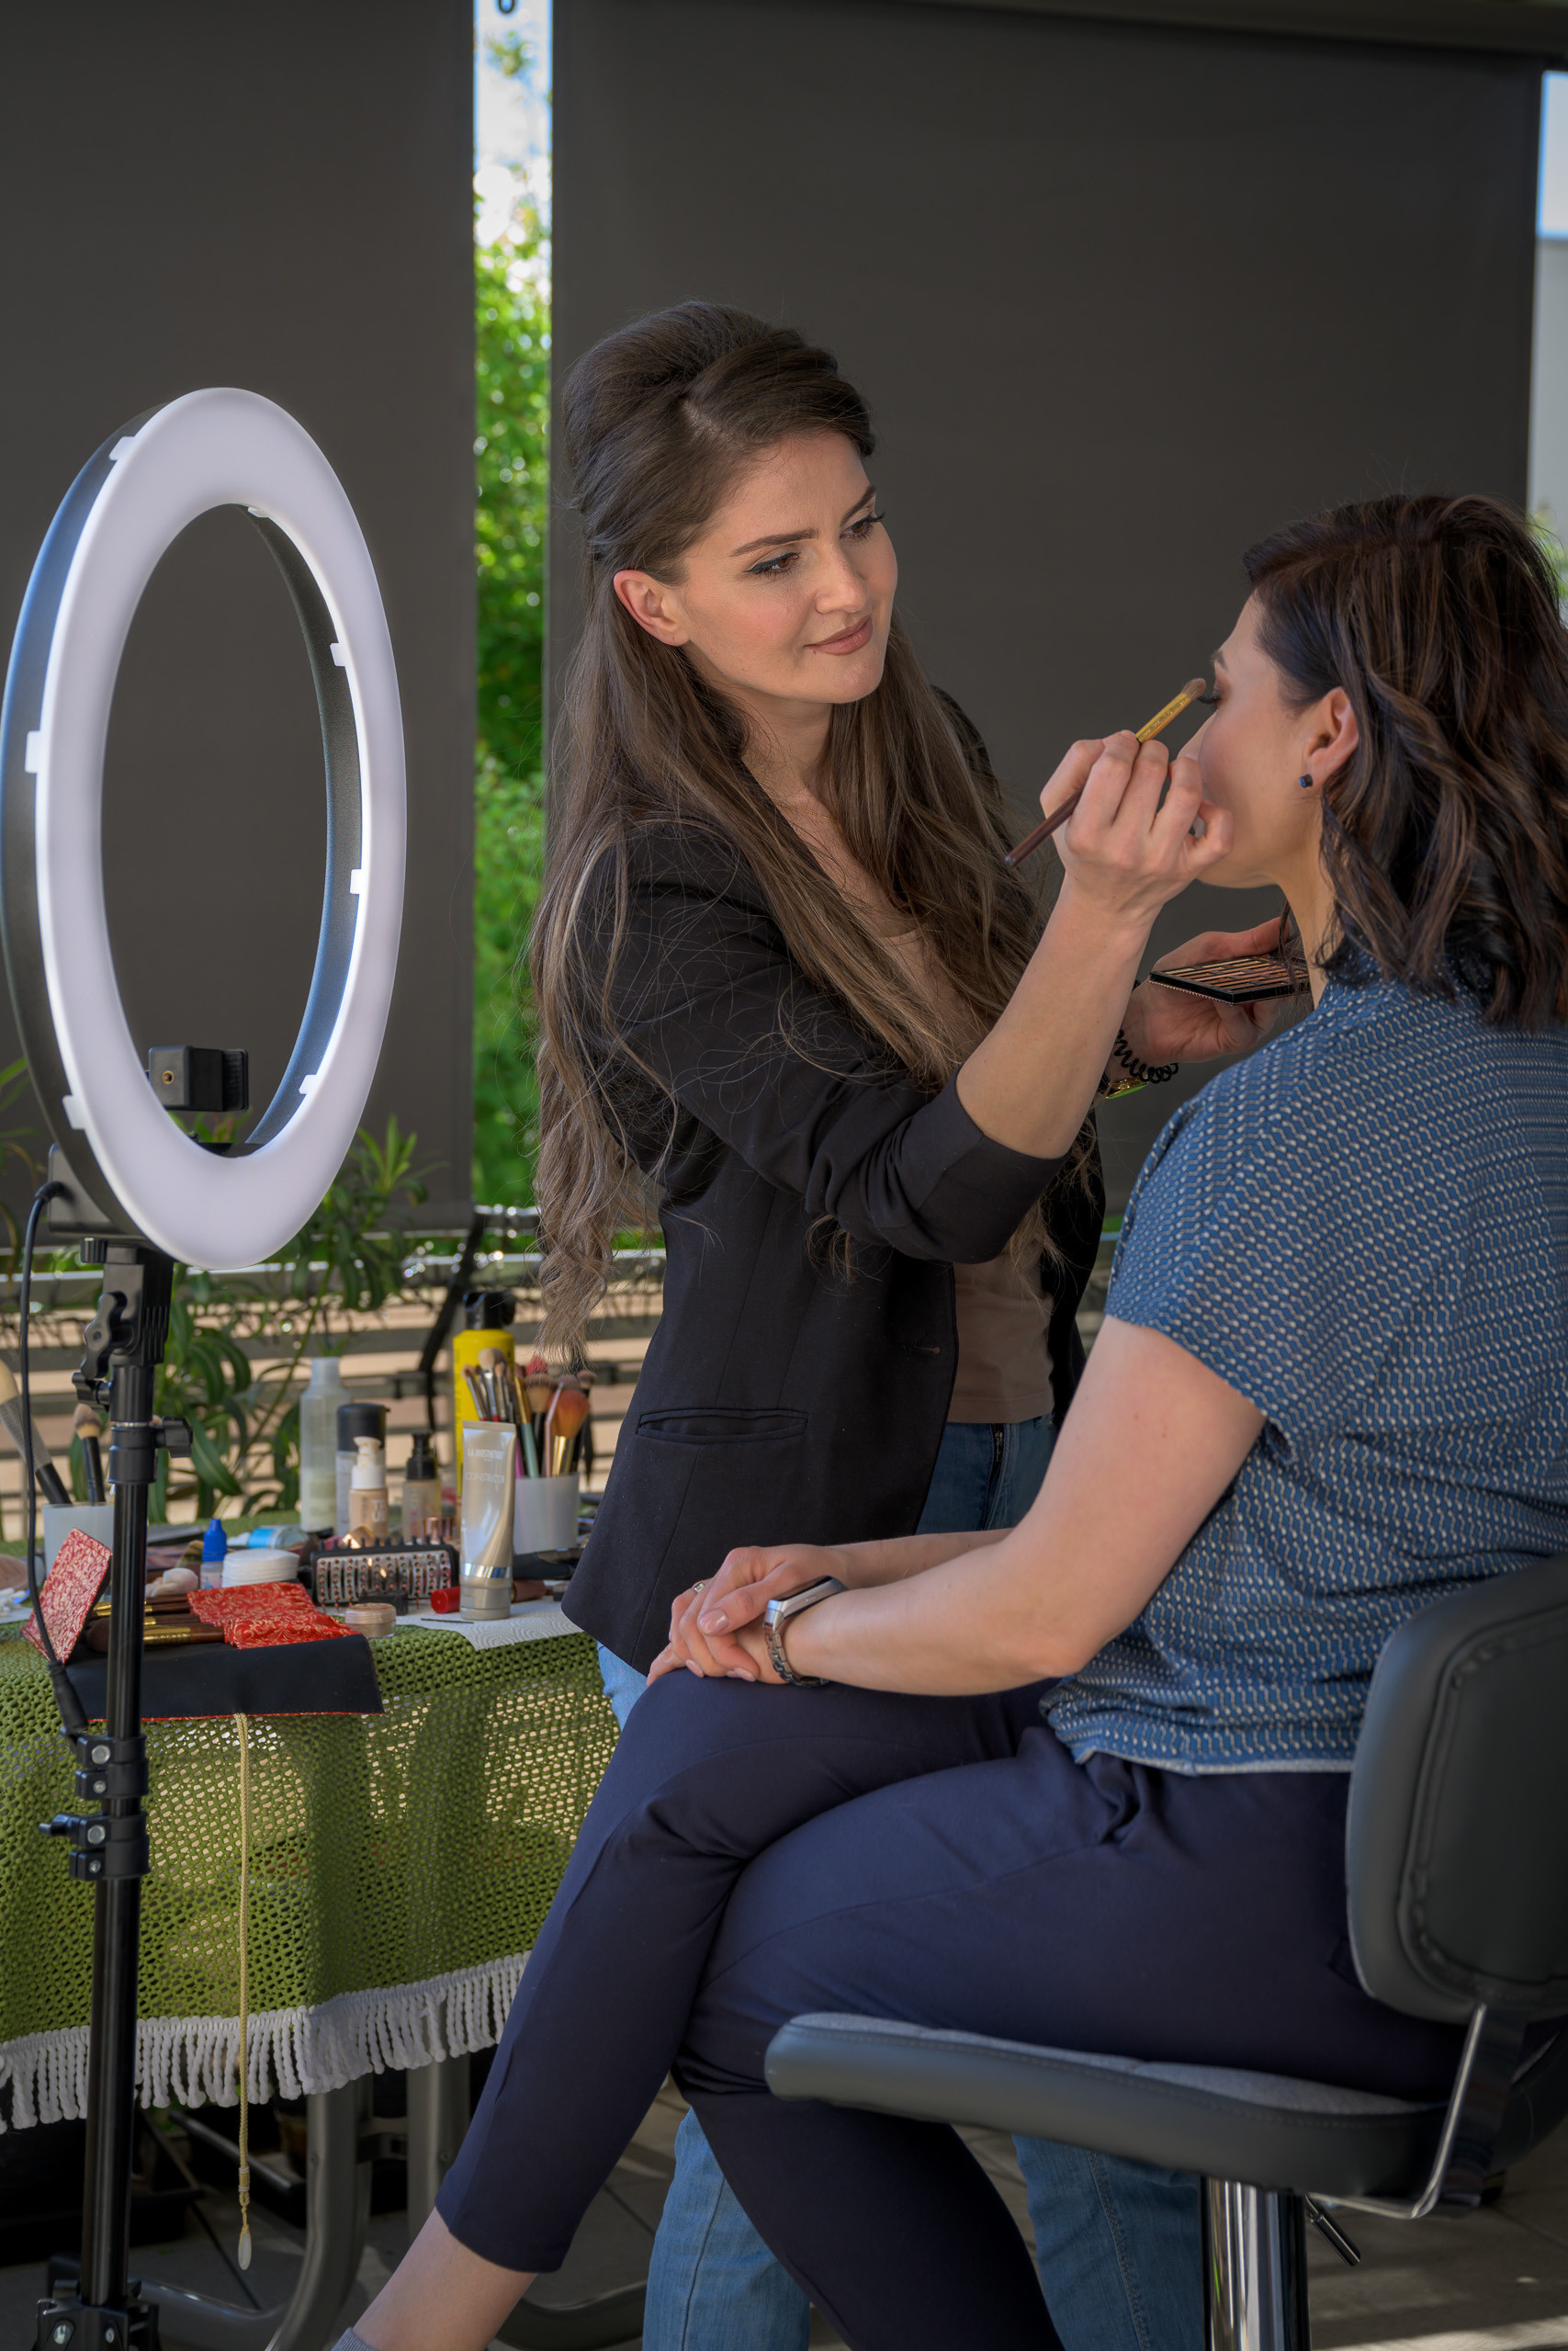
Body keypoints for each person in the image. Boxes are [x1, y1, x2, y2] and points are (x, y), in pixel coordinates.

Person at [341, 491, 1568, 2351]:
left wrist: (796, 1621)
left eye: (1220, 687)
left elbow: (1052, 1614)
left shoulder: (1291, 1120)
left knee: (730, 1960)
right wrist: (834, 1565)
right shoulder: (1520, 1069)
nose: (1186, 724)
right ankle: (423, 2316)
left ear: (1325, 736)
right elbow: (1247, 1514)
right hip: (1463, 1880)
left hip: (1246, 1841)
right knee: (699, 1747)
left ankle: (426, 2314)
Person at [526, 301, 1273, 2349]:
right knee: (802, 2109)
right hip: (782, 1536)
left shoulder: (919, 752)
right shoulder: (644, 893)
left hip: (1032, 1480)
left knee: (1127, 2075)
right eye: (774, 561)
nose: (845, 587)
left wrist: (1121, 1017)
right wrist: (1100, 924)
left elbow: (984, 1099)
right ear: (652, 601)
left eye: (857, 526)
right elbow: (917, 1176)